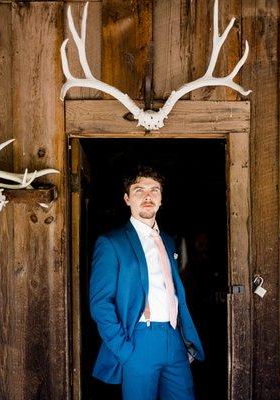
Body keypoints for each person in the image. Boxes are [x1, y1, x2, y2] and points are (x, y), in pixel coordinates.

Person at [89, 165, 205, 400]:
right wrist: (125, 351)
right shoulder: (111, 243)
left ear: (161, 199)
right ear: (127, 198)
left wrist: (183, 340)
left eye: (154, 190)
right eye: (139, 190)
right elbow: (100, 303)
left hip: (173, 338)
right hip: (138, 340)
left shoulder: (169, 241)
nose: (148, 196)